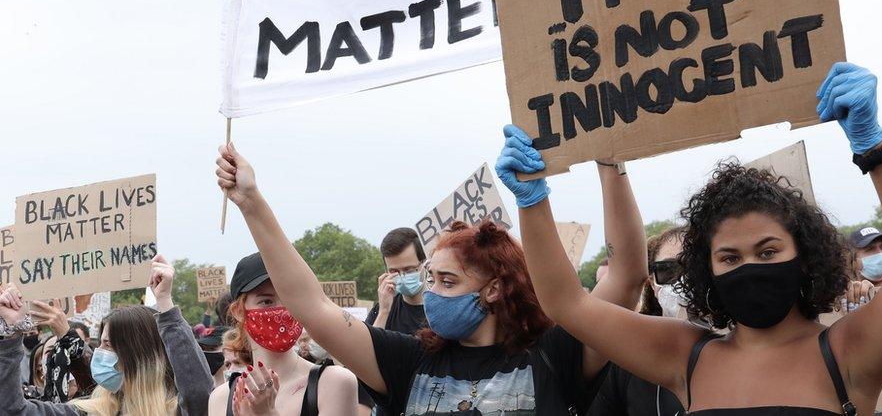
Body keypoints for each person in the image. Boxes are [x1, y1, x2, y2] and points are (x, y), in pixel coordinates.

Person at [505, 62, 882, 414]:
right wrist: (531, 201)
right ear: (708, 271)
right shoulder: (686, 355)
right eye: (729, 258)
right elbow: (568, 304)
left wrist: (874, 147)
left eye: (768, 250)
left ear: (804, 257)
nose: (750, 267)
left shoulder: (849, 351)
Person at [214, 141, 649, 415]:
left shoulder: (555, 355)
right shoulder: (409, 361)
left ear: (493, 289)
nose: (431, 292)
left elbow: (628, 276)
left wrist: (610, 157)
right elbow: (312, 304)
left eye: (447, 282)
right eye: (431, 278)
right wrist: (252, 202)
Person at [0, 254, 214, 415]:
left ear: (139, 356)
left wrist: (165, 304)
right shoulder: (87, 411)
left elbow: (199, 395)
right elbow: (12, 409)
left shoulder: (175, 411)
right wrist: (11, 333)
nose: (98, 353)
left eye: (109, 346)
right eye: (101, 343)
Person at [207, 251, 358, 415]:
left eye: (289, 298)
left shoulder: (334, 383)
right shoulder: (221, 398)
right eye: (266, 301)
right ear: (238, 311)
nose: (282, 310)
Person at [589, 228, 687, 416]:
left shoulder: (744, 347)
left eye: (695, 267)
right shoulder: (626, 357)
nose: (683, 281)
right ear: (651, 281)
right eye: (669, 270)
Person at [30, 299, 96, 401]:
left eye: (71, 351)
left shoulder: (94, 405)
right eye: (51, 352)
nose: (63, 358)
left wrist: (66, 333)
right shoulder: (34, 403)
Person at [367, 227, 428, 335]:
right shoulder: (382, 309)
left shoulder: (439, 307)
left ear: (424, 264)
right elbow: (366, 348)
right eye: (394, 271)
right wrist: (384, 311)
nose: (402, 277)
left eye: (409, 270)